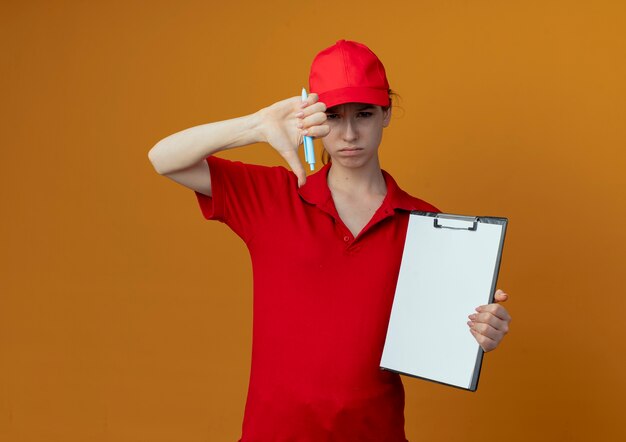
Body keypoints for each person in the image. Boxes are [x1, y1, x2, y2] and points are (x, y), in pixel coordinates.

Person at [148, 39, 512, 442]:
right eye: (333, 117)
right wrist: (256, 125)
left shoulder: (425, 223)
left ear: (386, 114)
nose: (350, 133)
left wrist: (480, 331)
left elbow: (444, 336)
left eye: (364, 114)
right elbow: (163, 158)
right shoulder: (273, 197)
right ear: (311, 120)